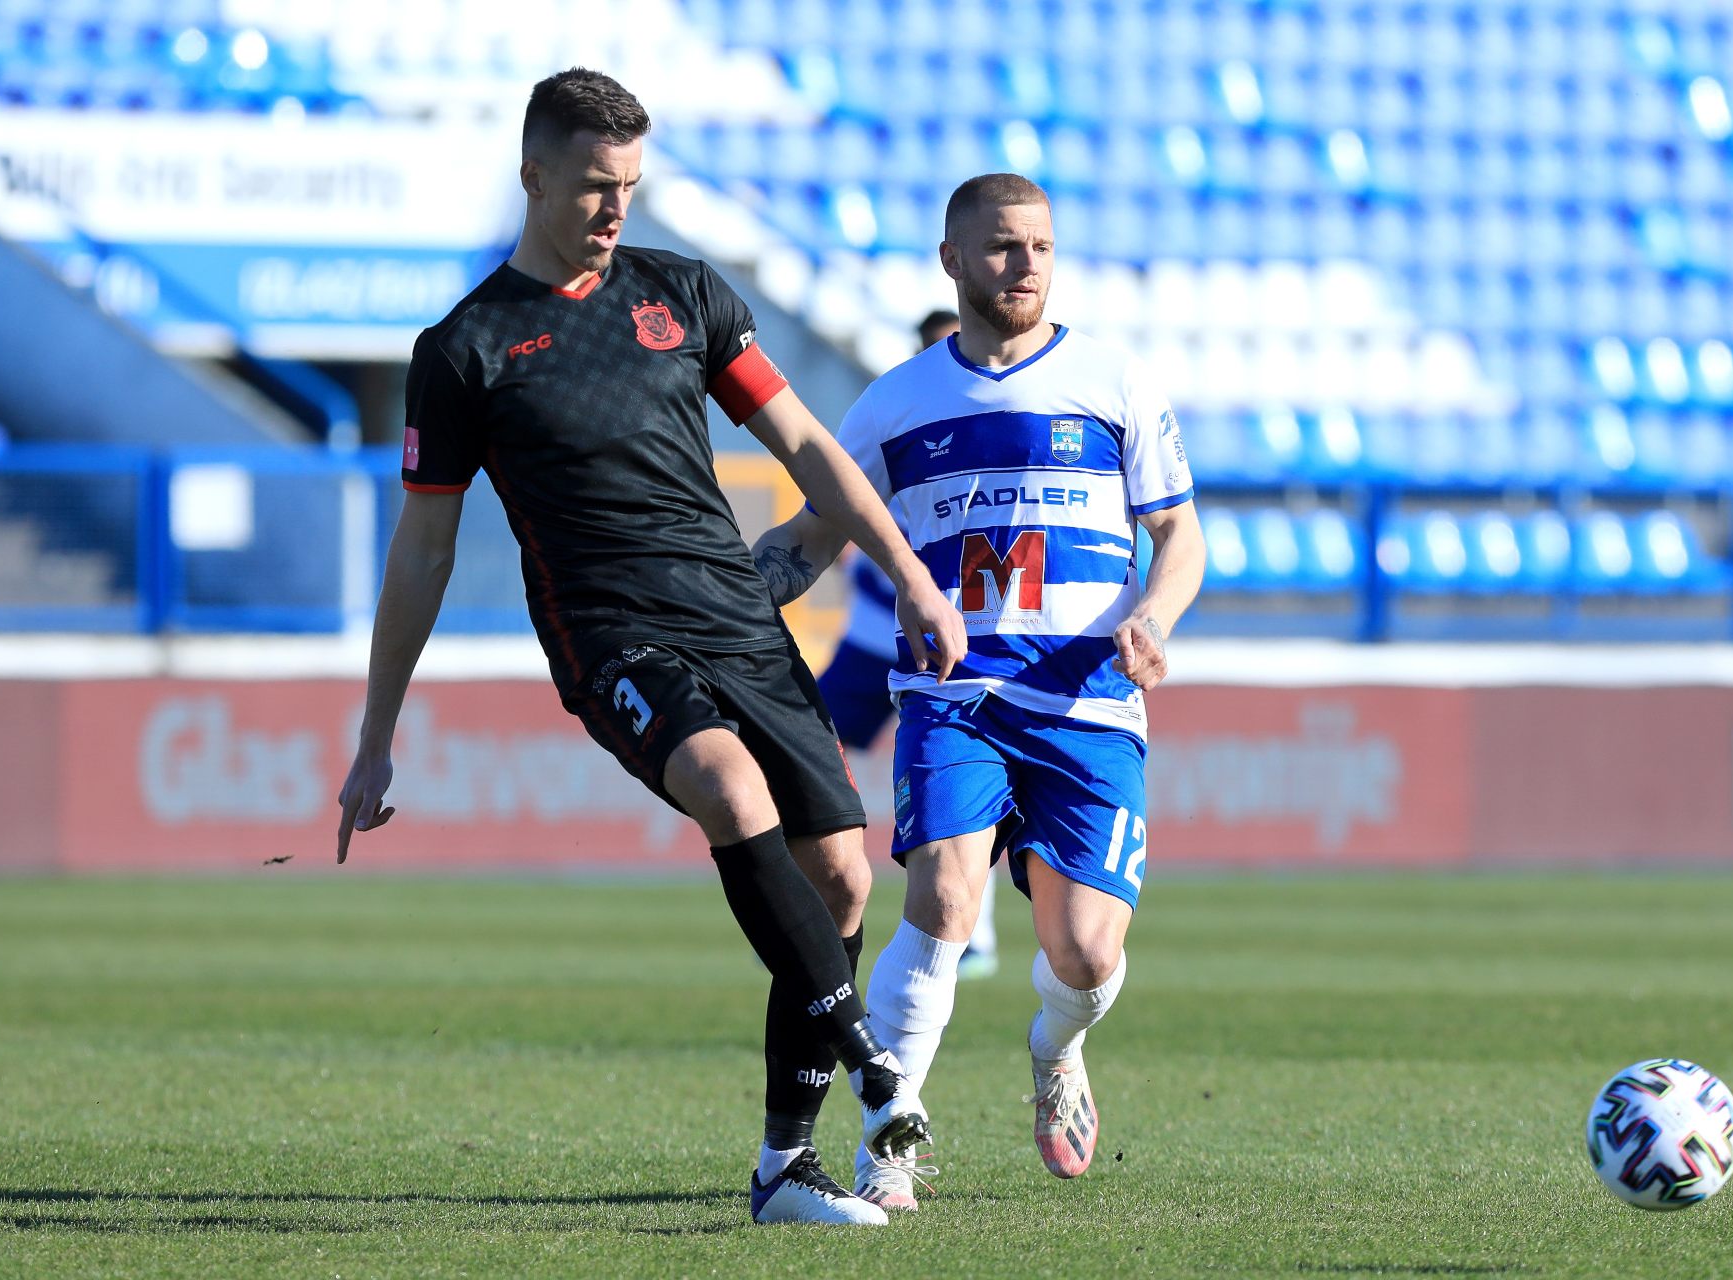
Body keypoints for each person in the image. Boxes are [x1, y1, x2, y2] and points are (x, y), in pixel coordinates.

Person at [333, 67, 968, 1228]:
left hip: (736, 610)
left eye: (630, 183)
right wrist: (375, 737)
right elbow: (421, 551)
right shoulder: (465, 347)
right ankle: (878, 1066)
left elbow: (809, 448)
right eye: (591, 185)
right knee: (728, 788)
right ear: (532, 174)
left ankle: (785, 1165)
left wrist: (913, 573)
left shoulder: (681, 294)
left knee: (839, 873)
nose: (615, 207)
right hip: (609, 628)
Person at [750, 173, 1206, 1210]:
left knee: (1085, 953)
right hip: (956, 693)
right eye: (1002, 247)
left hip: (1088, 699)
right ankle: (889, 1140)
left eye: (1040, 246)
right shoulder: (898, 400)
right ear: (952, 260)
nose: (1025, 265)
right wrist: (728, 594)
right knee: (943, 897)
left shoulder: (1113, 381)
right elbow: (811, 536)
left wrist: (1157, 617)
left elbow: (1180, 534)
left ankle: (1056, 1044)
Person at [815, 308, 1002, 983]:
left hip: (962, 640)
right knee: (808, 745)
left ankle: (973, 932)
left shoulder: (991, 424)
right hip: (875, 636)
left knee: (965, 780)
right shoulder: (897, 416)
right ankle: (818, 905)